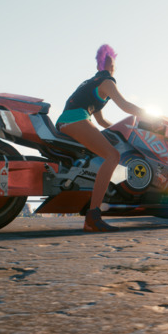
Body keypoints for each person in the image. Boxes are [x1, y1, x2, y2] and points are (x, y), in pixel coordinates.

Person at [56, 44, 155, 232]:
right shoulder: (107, 81)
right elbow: (125, 106)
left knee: (108, 153)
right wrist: (150, 116)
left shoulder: (93, 81)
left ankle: (95, 206)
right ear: (111, 64)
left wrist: (123, 132)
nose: (112, 64)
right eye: (112, 61)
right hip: (76, 119)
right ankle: (93, 216)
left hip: (69, 119)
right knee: (113, 156)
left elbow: (101, 121)